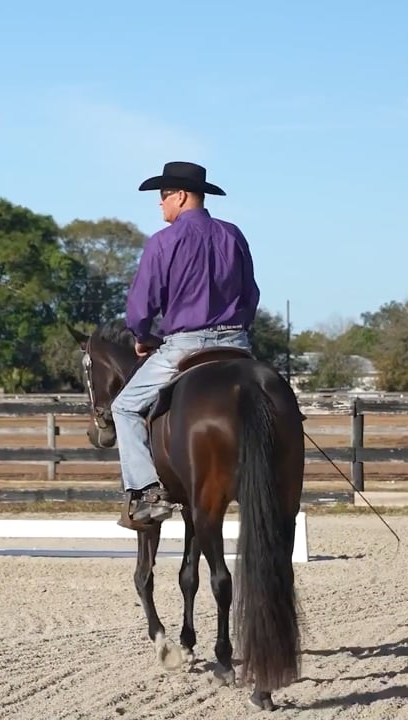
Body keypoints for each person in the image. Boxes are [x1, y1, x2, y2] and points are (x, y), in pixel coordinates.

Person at [112, 161, 260, 530]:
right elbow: (251, 294)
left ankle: (146, 494)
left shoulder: (164, 241)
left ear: (179, 195)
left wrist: (143, 338)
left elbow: (140, 308)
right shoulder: (234, 235)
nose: (160, 205)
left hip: (185, 345)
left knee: (124, 408)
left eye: (162, 196)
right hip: (238, 344)